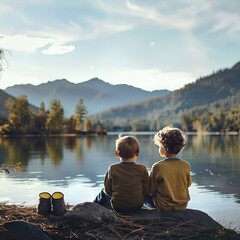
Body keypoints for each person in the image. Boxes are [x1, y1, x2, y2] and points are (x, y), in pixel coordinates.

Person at [94, 135, 149, 213]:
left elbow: (107, 190)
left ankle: (93, 206)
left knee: (102, 192)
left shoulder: (113, 168)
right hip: (137, 206)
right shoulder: (142, 169)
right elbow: (146, 190)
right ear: (137, 153)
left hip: (118, 207)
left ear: (117, 153)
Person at [147, 126, 192, 211]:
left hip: (163, 206)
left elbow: (151, 189)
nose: (159, 148)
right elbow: (188, 184)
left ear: (164, 148)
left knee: (144, 197)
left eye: (159, 146)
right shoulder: (185, 165)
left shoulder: (158, 167)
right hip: (182, 206)